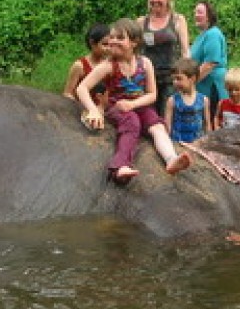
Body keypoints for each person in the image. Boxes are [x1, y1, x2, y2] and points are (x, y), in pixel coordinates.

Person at [76, 18, 192, 184]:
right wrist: (93, 109)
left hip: (139, 105)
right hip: (118, 108)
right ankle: (120, 165)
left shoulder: (144, 63)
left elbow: (152, 94)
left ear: (134, 42)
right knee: (132, 122)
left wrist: (134, 104)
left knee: (157, 125)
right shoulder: (108, 66)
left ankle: (171, 159)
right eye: (112, 37)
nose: (113, 41)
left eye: (120, 38)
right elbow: (82, 88)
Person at [137, 0, 190, 116]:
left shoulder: (177, 20)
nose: (155, 0)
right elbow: (134, 50)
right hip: (147, 77)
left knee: (168, 114)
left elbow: (185, 51)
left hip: (171, 78)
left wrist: (188, 77)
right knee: (149, 115)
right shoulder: (142, 22)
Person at [190, 0, 228, 121]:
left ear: (209, 16)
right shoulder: (202, 35)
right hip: (203, 88)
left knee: (213, 123)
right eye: (195, 12)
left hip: (213, 88)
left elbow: (210, 64)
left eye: (200, 12)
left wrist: (190, 83)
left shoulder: (213, 34)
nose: (196, 15)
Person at [63, 23, 110, 109]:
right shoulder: (80, 66)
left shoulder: (109, 65)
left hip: (103, 111)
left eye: (110, 45)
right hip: (81, 110)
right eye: (105, 44)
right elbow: (67, 93)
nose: (108, 48)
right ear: (92, 43)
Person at [165, 58, 211, 143]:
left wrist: (209, 142)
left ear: (192, 78)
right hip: (178, 143)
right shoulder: (172, 101)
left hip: (198, 143)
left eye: (179, 79)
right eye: (173, 79)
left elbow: (207, 124)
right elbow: (168, 126)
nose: (175, 82)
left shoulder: (204, 100)